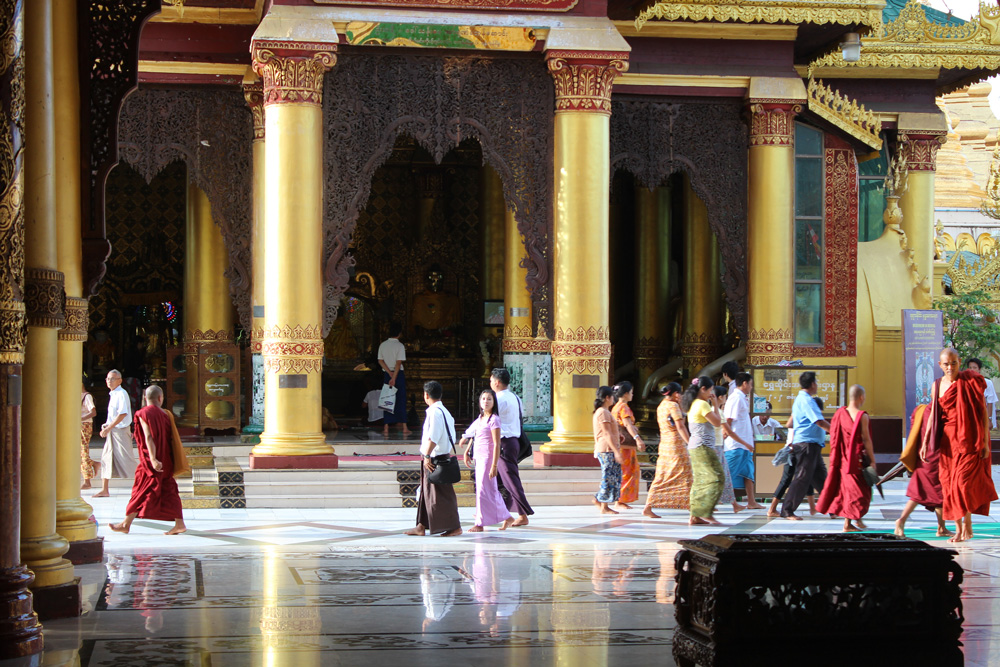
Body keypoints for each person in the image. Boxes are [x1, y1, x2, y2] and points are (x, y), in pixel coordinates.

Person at [934, 349, 996, 542]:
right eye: (946, 364)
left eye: (953, 363)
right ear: (940, 365)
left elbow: (982, 413)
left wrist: (985, 442)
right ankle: (959, 529)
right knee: (950, 486)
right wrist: (925, 441)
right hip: (948, 444)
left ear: (959, 362)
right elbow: (934, 415)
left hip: (969, 441)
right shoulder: (937, 385)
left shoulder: (969, 382)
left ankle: (968, 525)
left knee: (963, 484)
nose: (950, 367)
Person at [109, 385, 186, 535]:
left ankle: (126, 523)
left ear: (145, 398)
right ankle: (179, 524)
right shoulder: (165, 414)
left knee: (141, 489)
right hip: (166, 459)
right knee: (169, 490)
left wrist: (153, 459)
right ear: (160, 398)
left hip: (152, 462)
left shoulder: (142, 413)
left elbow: (148, 436)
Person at [405, 381, 462, 537]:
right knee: (427, 492)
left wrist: (428, 455)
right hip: (439, 456)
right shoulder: (444, 412)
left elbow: (434, 437)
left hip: (436, 458)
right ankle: (421, 525)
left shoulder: (434, 412)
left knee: (441, 495)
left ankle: (454, 527)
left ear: (426, 395)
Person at [816, 385, 876, 532]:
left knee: (848, 492)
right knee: (860, 493)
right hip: (856, 460)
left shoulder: (840, 413)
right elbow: (866, 440)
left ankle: (854, 520)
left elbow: (835, 435)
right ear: (861, 397)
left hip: (842, 459)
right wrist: (873, 459)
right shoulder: (862, 416)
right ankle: (848, 523)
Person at [895, 402, 953, 538]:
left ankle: (941, 527)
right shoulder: (938, 411)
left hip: (924, 455)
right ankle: (901, 520)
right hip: (934, 458)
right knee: (921, 493)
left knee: (937, 493)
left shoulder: (921, 409)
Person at [460, 389, 515, 532]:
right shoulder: (480, 418)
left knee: (485, 490)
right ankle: (506, 517)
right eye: (483, 398)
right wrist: (467, 451)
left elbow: (497, 444)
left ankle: (480, 523)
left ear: (494, 402)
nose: (486, 401)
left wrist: (494, 465)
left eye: (489, 399)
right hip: (479, 457)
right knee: (486, 490)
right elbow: (475, 435)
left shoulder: (494, 419)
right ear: (479, 402)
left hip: (487, 459)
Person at [781, 371, 831, 520]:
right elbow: (819, 421)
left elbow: (790, 422)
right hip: (806, 445)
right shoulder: (807, 401)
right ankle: (787, 510)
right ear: (813, 384)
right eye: (816, 383)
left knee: (822, 479)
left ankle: (834, 507)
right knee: (802, 478)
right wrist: (839, 432)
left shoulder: (801, 399)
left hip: (813, 445)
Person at [489, 368, 533, 526]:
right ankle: (498, 512)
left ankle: (523, 513)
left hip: (504, 443)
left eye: (491, 380)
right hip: (512, 441)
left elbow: (490, 421)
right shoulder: (515, 397)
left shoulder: (498, 399)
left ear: (497, 382)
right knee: (499, 480)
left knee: (510, 479)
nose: (491, 383)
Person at [643, 382, 691, 517]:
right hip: (676, 445)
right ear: (675, 394)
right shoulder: (673, 406)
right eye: (679, 393)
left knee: (662, 475)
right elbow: (680, 427)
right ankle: (692, 506)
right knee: (685, 474)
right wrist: (690, 442)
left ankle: (649, 505)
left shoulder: (661, 405)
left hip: (664, 445)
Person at [684, 376, 726, 526]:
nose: (711, 392)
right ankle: (705, 512)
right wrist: (715, 404)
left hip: (695, 446)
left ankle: (695, 515)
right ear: (703, 389)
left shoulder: (693, 403)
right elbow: (717, 422)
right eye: (710, 389)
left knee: (700, 481)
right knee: (717, 477)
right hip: (703, 447)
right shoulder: (702, 404)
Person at [93, 369, 137, 498]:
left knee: (127, 460)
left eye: (112, 379)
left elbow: (122, 414)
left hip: (120, 432)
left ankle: (145, 484)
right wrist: (108, 428)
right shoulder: (113, 394)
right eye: (108, 378)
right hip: (112, 431)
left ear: (120, 381)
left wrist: (108, 428)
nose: (109, 381)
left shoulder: (121, 394)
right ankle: (104, 489)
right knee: (105, 458)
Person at [724, 373, 765, 510]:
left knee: (748, 473)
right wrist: (725, 435)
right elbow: (728, 420)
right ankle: (711, 502)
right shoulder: (735, 398)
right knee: (726, 474)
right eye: (751, 384)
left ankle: (751, 501)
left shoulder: (742, 398)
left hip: (745, 445)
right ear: (745, 383)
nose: (751, 388)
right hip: (736, 445)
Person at [611, 381, 645, 511]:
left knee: (625, 471)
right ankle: (620, 499)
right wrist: (638, 439)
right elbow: (627, 424)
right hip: (626, 446)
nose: (632, 395)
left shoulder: (615, 407)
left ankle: (620, 499)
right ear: (625, 394)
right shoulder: (624, 407)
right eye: (631, 392)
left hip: (621, 444)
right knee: (629, 471)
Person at [592, 386, 624, 515]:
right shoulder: (603, 412)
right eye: (612, 396)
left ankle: (599, 500)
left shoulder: (604, 411)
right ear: (607, 398)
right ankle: (604, 506)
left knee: (612, 476)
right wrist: (616, 451)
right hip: (607, 450)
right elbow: (606, 433)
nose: (613, 399)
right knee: (608, 477)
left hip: (608, 448)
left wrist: (618, 436)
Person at [377, 321, 412, 437]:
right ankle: (404, 427)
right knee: (401, 399)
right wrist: (395, 376)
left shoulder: (383, 345)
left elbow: (380, 361)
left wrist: (389, 374)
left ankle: (386, 428)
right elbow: (398, 363)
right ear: (399, 333)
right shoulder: (400, 346)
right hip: (398, 374)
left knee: (387, 399)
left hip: (388, 374)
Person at [713, 386, 745, 513]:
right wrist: (745, 443)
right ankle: (732, 504)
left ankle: (732, 504)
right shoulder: (719, 413)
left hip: (717, 446)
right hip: (717, 447)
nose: (726, 399)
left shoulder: (712, 411)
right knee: (723, 476)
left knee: (722, 476)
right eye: (725, 396)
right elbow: (729, 431)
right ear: (720, 397)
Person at [967, 358, 998, 429]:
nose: (972, 370)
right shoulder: (966, 382)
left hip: (984, 415)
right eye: (970, 367)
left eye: (975, 367)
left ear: (979, 369)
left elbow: (990, 402)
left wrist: (989, 419)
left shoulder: (987, 382)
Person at [80, 380, 98, 490]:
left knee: (83, 451)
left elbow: (93, 412)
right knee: (79, 453)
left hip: (84, 425)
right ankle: (94, 463)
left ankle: (87, 481)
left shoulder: (87, 397)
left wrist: (80, 418)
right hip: (78, 424)